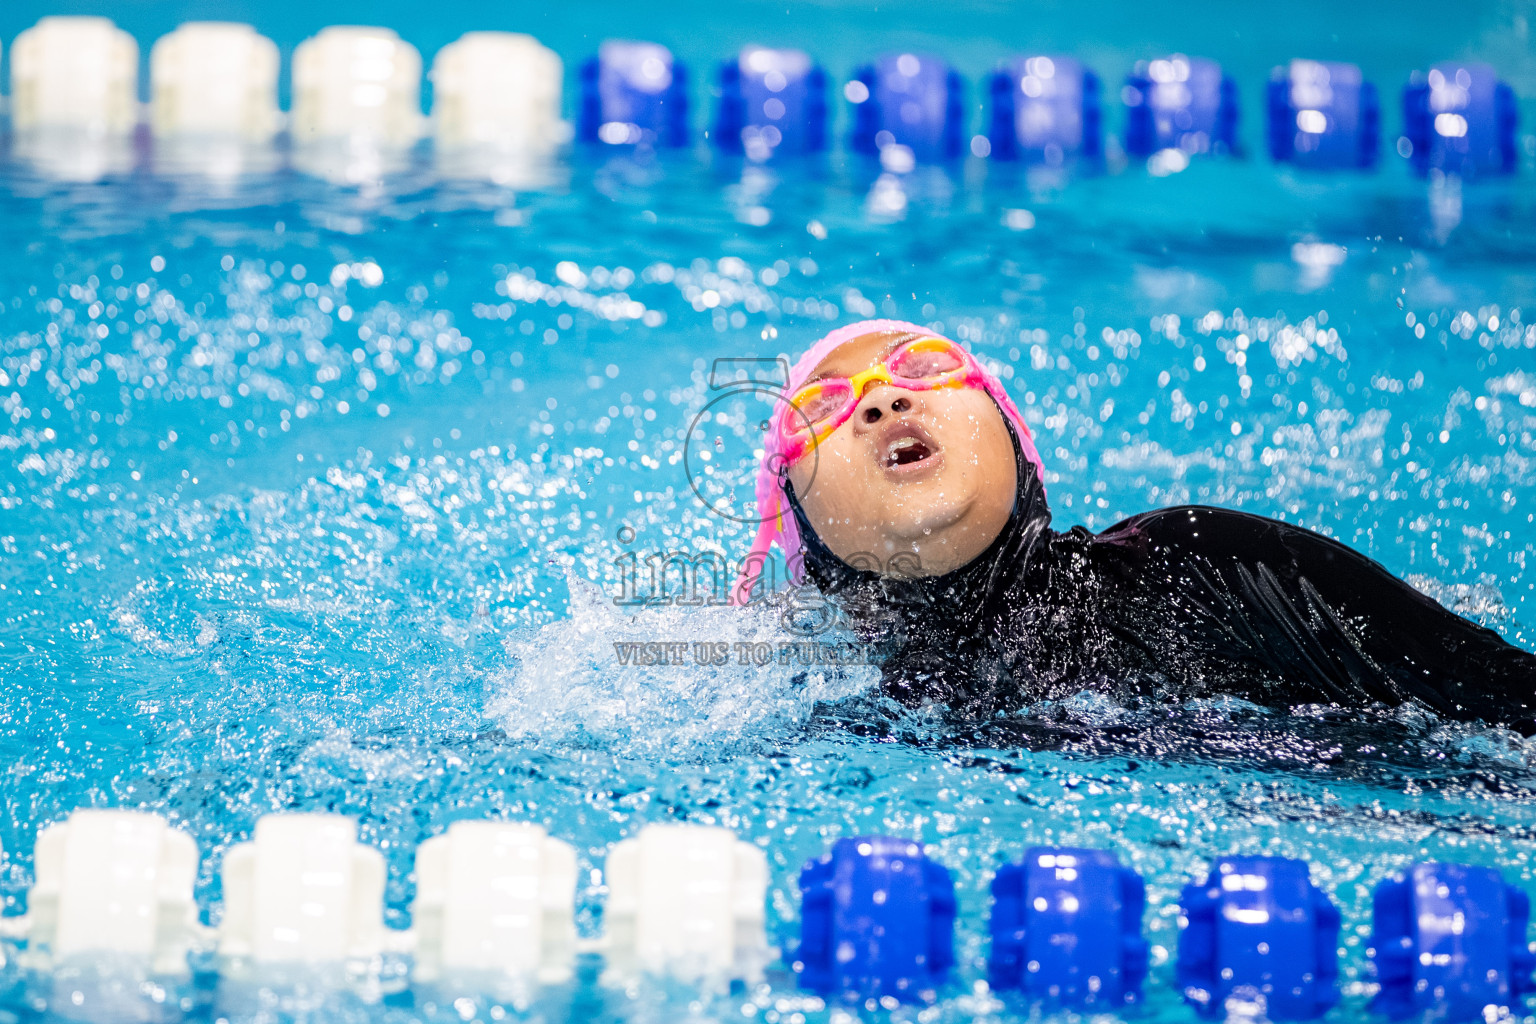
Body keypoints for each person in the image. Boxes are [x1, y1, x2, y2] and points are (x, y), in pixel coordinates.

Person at [731, 319, 1536, 727]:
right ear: (804, 525)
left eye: (923, 365)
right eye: (823, 405)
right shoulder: (833, 712)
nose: (882, 397)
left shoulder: (1198, 564)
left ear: (1013, 443)